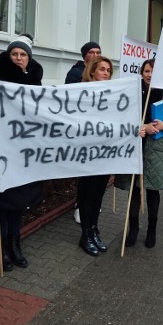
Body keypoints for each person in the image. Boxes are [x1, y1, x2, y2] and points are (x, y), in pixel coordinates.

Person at [0, 35, 44, 272]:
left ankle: (16, 245)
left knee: (19, 203)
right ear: (9, 56)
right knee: (2, 203)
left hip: (23, 153)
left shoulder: (35, 83)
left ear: (29, 58)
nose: (18, 58)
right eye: (14, 54)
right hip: (1, 152)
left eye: (23, 54)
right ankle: (2, 248)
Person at [125, 59, 163, 248]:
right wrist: (141, 127)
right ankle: (133, 227)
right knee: (134, 188)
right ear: (142, 73)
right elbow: (122, 118)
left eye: (153, 71)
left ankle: (152, 228)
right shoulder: (132, 92)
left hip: (155, 150)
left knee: (152, 190)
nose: (150, 74)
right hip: (135, 146)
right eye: (147, 71)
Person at [77, 56, 114, 256]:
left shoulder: (112, 94)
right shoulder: (80, 93)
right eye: (102, 69)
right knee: (86, 195)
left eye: (108, 70)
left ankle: (93, 229)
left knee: (99, 193)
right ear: (92, 72)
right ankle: (85, 235)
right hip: (86, 154)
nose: (106, 73)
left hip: (105, 153)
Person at [65, 41, 102, 224]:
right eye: (91, 52)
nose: (95, 55)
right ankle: (80, 205)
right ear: (84, 56)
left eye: (98, 52)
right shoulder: (75, 74)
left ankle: (90, 204)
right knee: (83, 171)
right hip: (81, 130)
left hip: (97, 133)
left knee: (94, 171)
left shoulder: (102, 74)